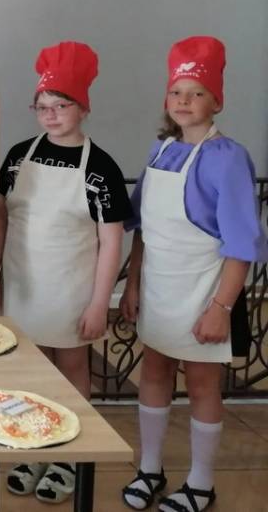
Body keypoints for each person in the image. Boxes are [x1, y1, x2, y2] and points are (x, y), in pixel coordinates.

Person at [118, 37, 266, 512]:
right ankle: (150, 468)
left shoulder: (229, 157)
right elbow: (143, 227)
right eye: (176, 92)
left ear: (216, 101)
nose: (183, 101)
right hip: (159, 287)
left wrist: (221, 308)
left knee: (202, 383)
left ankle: (201, 483)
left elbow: (241, 245)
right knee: (154, 373)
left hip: (204, 291)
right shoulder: (160, 150)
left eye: (196, 92)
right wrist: (133, 284)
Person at [0, 42, 130, 504]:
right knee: (32, 366)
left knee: (71, 367)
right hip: (23, 283)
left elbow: (111, 241)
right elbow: (0, 217)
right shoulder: (18, 156)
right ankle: (34, 441)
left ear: (83, 108)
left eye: (61, 106)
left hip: (72, 290)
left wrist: (99, 303)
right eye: (42, 106)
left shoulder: (100, 168)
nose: (50, 115)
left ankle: (69, 455)